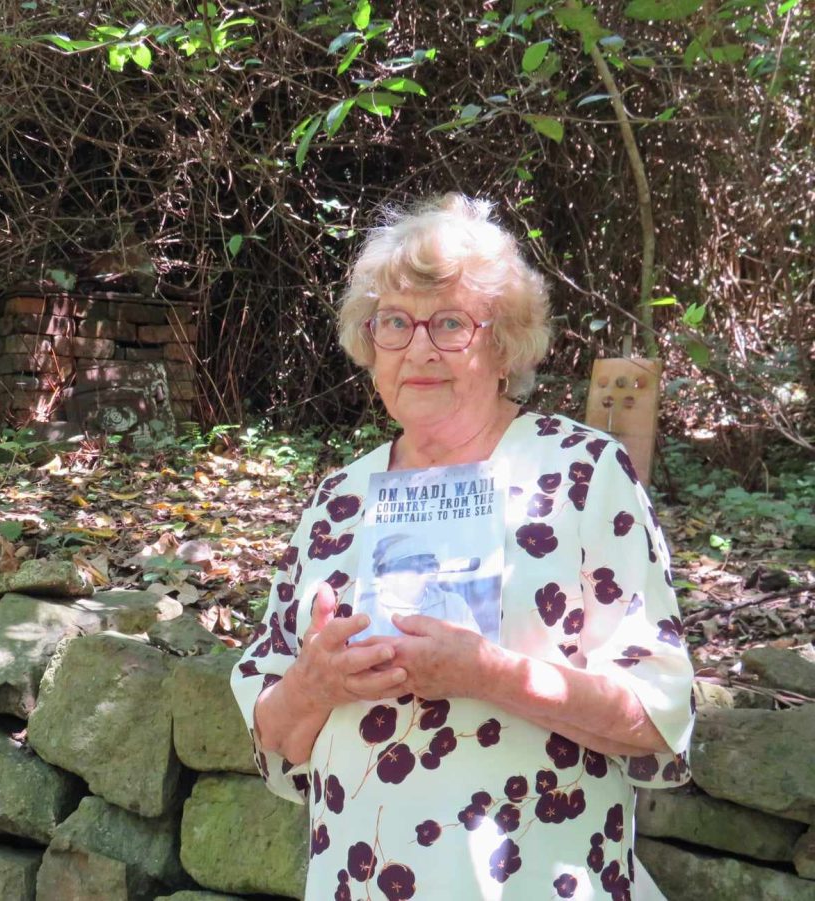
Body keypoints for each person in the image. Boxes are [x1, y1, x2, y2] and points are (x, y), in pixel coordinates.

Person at [229, 194, 694, 900]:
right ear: (369, 344)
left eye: (449, 323)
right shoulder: (337, 500)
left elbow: (657, 717)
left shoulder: (581, 474)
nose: (418, 347)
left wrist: (491, 674)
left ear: (501, 343)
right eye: (395, 323)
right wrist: (314, 683)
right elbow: (277, 736)